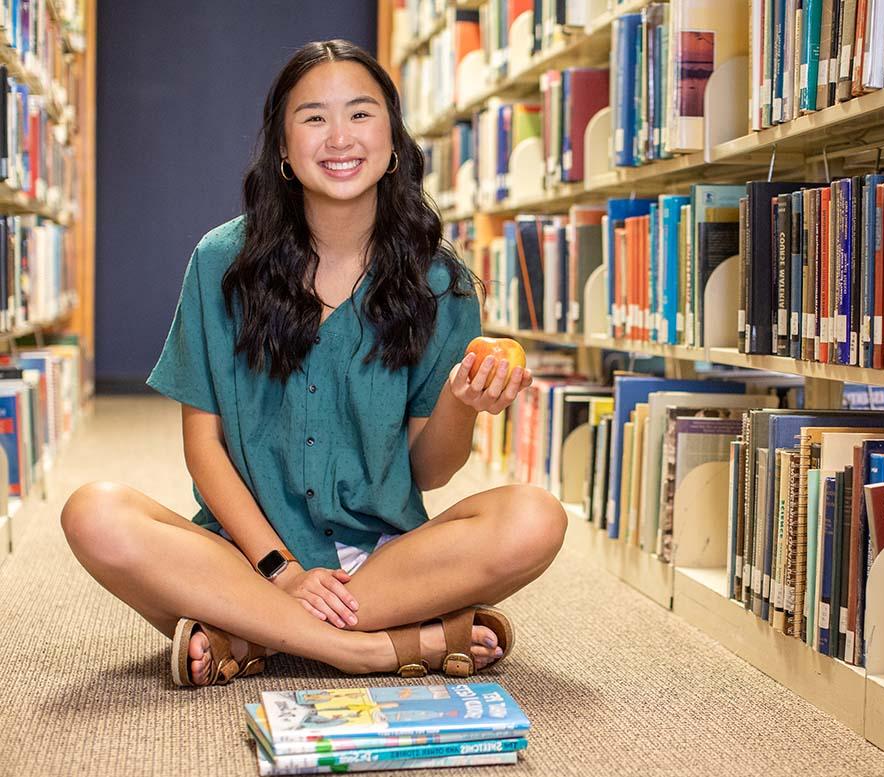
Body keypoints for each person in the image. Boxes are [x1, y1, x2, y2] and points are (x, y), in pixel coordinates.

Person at [60, 39, 567, 687]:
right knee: (94, 512)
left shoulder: (444, 282)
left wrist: (460, 402)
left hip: (383, 563)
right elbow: (203, 448)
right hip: (247, 555)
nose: (339, 137)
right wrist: (283, 570)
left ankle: (245, 635)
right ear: (282, 148)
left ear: (393, 140)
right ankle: (371, 648)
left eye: (360, 114)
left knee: (534, 517)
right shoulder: (220, 262)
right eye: (312, 117)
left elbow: (428, 471)